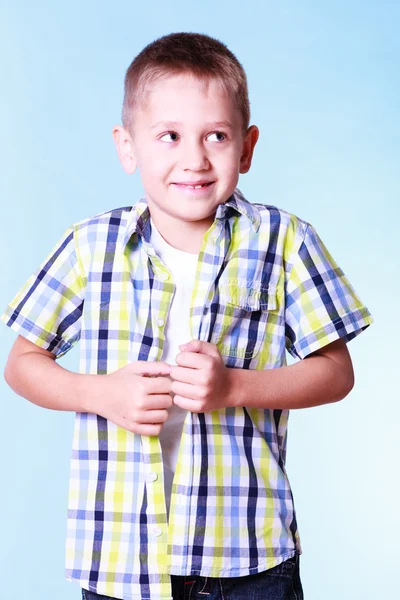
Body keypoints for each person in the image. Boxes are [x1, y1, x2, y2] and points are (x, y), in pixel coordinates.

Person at [2, 32, 373, 600]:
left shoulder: (284, 241)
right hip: (120, 561)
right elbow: (23, 363)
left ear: (246, 148)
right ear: (128, 147)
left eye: (216, 136)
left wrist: (236, 386)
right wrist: (99, 393)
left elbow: (336, 372)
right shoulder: (89, 246)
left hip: (248, 560)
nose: (194, 159)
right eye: (169, 136)